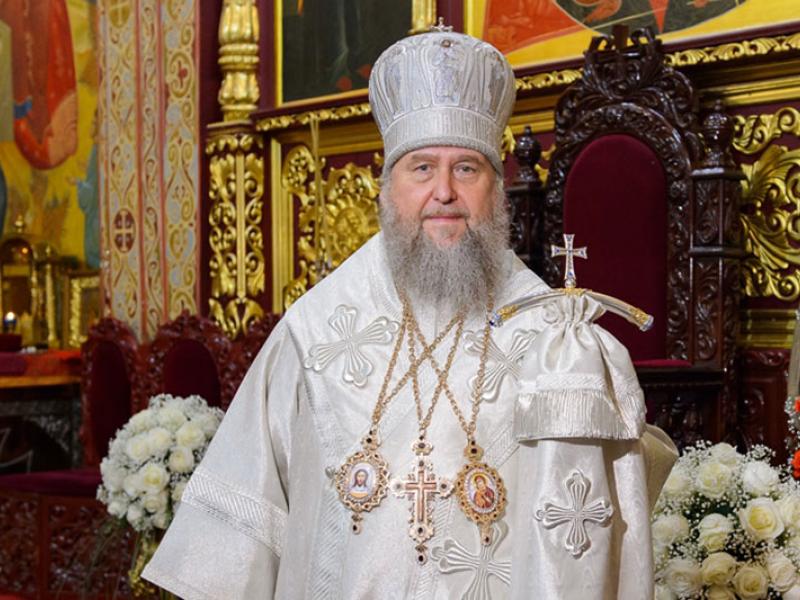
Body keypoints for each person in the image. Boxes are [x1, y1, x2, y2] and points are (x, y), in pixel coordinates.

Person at [143, 25, 676, 599]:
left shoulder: (555, 341)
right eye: (421, 168)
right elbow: (242, 530)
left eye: (466, 168)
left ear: (496, 191)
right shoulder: (314, 331)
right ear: (387, 188)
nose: (443, 191)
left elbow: (587, 547)